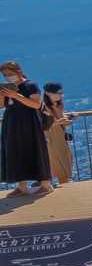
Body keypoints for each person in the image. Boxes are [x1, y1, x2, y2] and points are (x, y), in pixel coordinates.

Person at [0, 60, 53, 197]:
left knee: (35, 149)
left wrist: (16, 96)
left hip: (30, 121)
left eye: (10, 74)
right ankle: (21, 186)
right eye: (5, 75)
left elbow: (36, 104)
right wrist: (2, 96)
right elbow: (2, 105)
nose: (8, 77)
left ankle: (45, 185)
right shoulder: (8, 87)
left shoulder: (30, 85)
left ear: (18, 72)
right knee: (15, 152)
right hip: (12, 122)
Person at [41, 82, 74, 187]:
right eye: (56, 93)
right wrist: (59, 122)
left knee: (66, 160)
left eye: (60, 93)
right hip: (50, 137)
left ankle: (62, 184)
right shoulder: (43, 107)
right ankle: (62, 186)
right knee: (58, 163)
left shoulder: (59, 105)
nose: (59, 95)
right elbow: (43, 124)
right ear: (47, 93)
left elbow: (60, 118)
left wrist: (69, 117)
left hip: (61, 136)